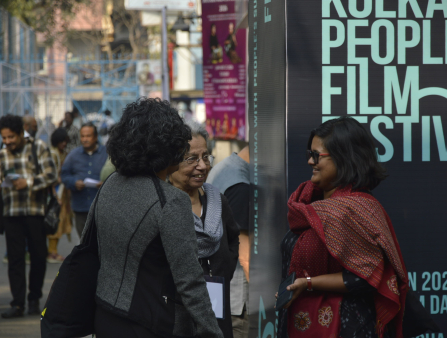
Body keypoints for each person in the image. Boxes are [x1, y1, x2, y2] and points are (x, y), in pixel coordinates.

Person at [90, 98, 223, 338]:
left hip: (104, 313)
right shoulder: (171, 201)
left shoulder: (110, 184)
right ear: (167, 147)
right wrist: (211, 332)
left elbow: (88, 246)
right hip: (150, 322)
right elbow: (189, 281)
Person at [277, 117, 408, 338]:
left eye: (316, 155)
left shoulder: (358, 209)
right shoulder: (307, 206)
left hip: (346, 327)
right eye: (310, 154)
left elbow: (368, 276)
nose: (310, 162)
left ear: (343, 158)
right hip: (300, 321)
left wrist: (309, 283)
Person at [169, 120, 240, 338]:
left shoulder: (217, 200)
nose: (202, 166)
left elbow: (232, 238)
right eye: (192, 159)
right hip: (174, 314)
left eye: (205, 157)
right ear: (171, 162)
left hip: (216, 306)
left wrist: (222, 271)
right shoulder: (162, 205)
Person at [0, 114, 57, 318]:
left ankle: (34, 299)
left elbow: (51, 175)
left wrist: (29, 182)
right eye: (4, 138)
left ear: (20, 133)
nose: (7, 142)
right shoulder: (2, 154)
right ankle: (17, 304)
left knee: (38, 257)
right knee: (15, 260)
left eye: (10, 138)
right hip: (11, 213)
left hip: (35, 213)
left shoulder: (38, 147)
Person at [206, 145, 250, 338]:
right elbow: (246, 253)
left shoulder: (224, 167)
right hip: (238, 301)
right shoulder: (239, 182)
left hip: (222, 292)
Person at [61, 122, 107, 238]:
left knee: (101, 242)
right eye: (82, 136)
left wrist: (106, 184)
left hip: (102, 208)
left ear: (96, 137)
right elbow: (64, 175)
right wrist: (74, 182)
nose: (85, 139)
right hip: (81, 208)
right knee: (84, 242)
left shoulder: (107, 154)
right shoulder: (73, 156)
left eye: (88, 136)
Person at [47, 128, 72, 263]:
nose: (64, 143)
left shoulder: (60, 153)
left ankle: (53, 251)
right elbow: (51, 177)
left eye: (65, 141)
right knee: (55, 221)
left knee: (59, 221)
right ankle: (52, 252)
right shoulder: (53, 153)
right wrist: (56, 196)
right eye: (62, 141)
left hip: (61, 193)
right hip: (56, 193)